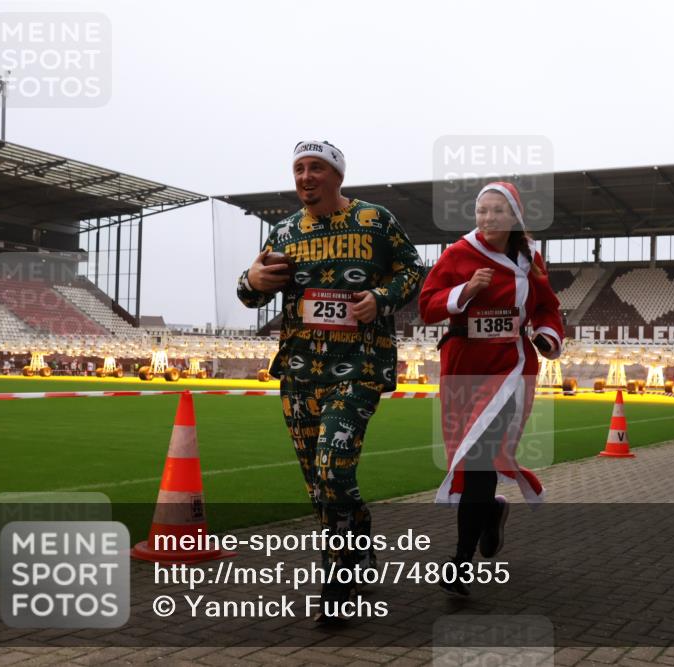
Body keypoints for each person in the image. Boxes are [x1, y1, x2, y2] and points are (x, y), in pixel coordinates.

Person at [237, 140, 424, 620]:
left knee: (332, 472)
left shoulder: (375, 220)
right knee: (318, 488)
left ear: (337, 175)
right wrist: (251, 282)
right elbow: (251, 290)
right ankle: (357, 552)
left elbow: (413, 270)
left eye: (316, 167)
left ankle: (337, 584)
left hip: (359, 366)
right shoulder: (282, 231)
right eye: (298, 168)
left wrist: (380, 299)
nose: (305, 176)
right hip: (299, 371)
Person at [419, 181, 563, 597]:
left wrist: (547, 335)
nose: (487, 218)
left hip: (511, 367)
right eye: (482, 210)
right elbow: (428, 306)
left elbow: (546, 306)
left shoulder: (531, 258)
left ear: (514, 217)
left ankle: (460, 564)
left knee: (479, 461)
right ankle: (492, 513)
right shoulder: (457, 254)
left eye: (497, 210)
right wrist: (467, 290)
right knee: (468, 459)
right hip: (465, 368)